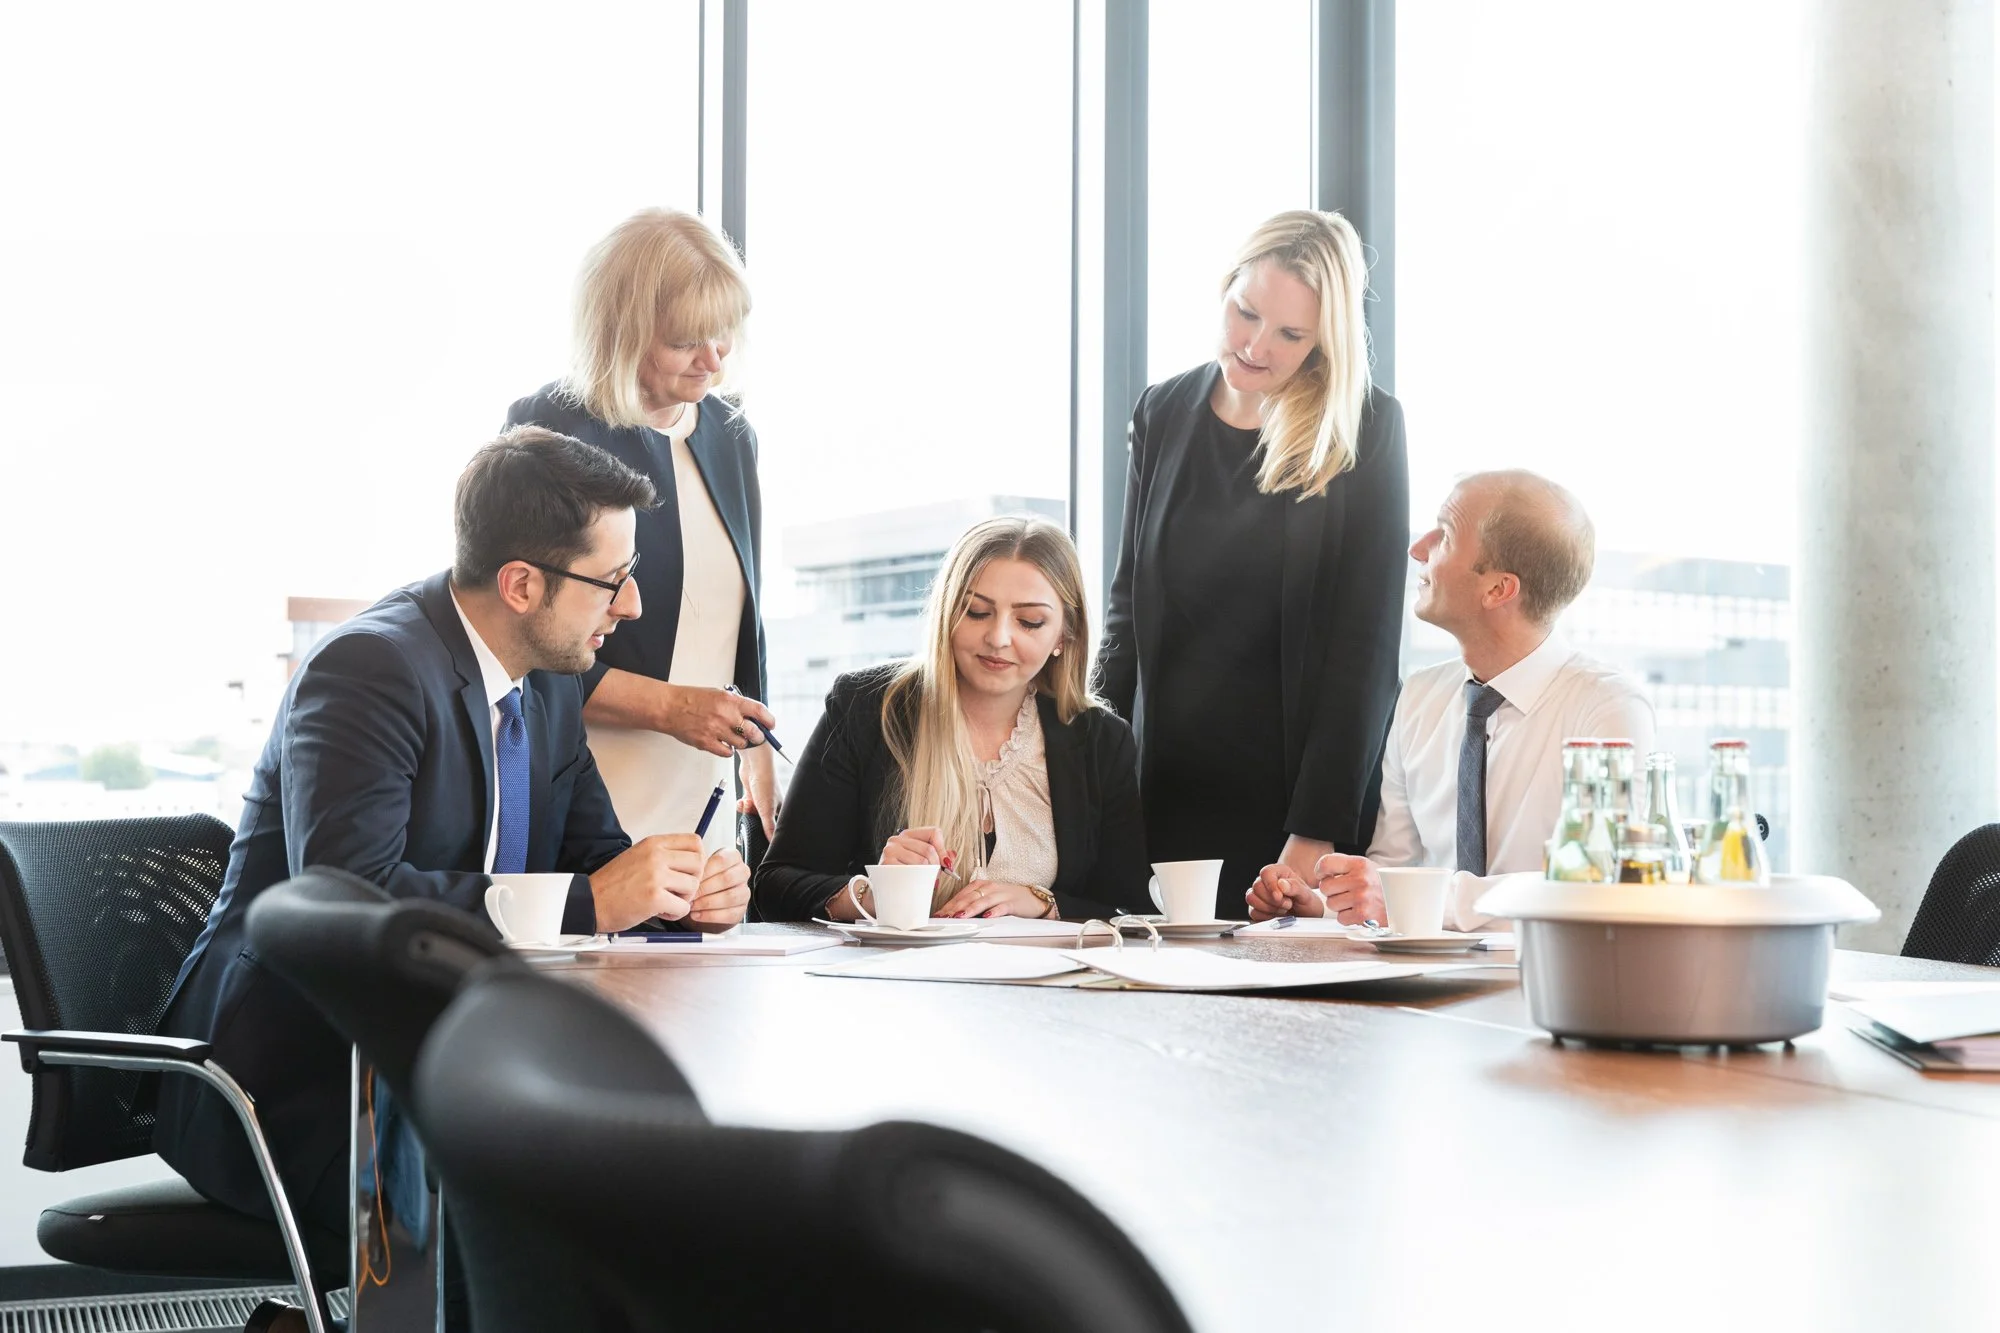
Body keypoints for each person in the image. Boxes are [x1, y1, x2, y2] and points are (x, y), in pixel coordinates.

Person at [153, 426, 751, 1233]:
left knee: (658, 1162)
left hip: (449, 1060)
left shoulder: (549, 684)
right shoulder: (371, 668)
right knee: (579, 1202)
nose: (633, 605)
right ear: (519, 585)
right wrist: (590, 903)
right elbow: (347, 900)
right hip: (303, 1089)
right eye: (613, 581)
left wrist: (679, 891)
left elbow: (599, 862)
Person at [1098, 209, 1410, 918]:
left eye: (1291, 334)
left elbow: (1364, 650)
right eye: (1246, 313)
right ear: (1225, 290)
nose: (1256, 345)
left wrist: (1312, 834)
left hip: (1288, 808)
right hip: (1161, 792)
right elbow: (1126, 611)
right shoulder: (1162, 410)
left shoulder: (1366, 427)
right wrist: (1099, 785)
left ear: (1323, 340)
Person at [1247, 470, 1656, 932]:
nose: (1418, 548)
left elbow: (1605, 886)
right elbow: (1394, 867)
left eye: (1444, 535)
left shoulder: (1608, 708)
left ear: (1498, 589)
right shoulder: (1421, 695)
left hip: (1543, 983)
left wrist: (1419, 900)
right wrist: (1325, 904)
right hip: (1419, 982)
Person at [505, 207, 778, 858]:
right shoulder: (549, 425)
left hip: (703, 786)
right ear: (624, 331)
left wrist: (760, 755)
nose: (712, 358)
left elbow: (737, 623)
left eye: (723, 334)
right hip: (586, 777)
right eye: (687, 339)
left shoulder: (731, 436)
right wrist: (668, 707)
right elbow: (520, 641)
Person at [753, 516, 1150, 924]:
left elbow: (1133, 909)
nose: (998, 638)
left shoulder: (1101, 740)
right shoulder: (866, 707)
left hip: (1047, 984)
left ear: (1064, 636)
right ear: (946, 613)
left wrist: (1044, 904)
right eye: (977, 612)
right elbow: (774, 887)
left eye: (1029, 621)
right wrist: (876, 893)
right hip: (893, 982)